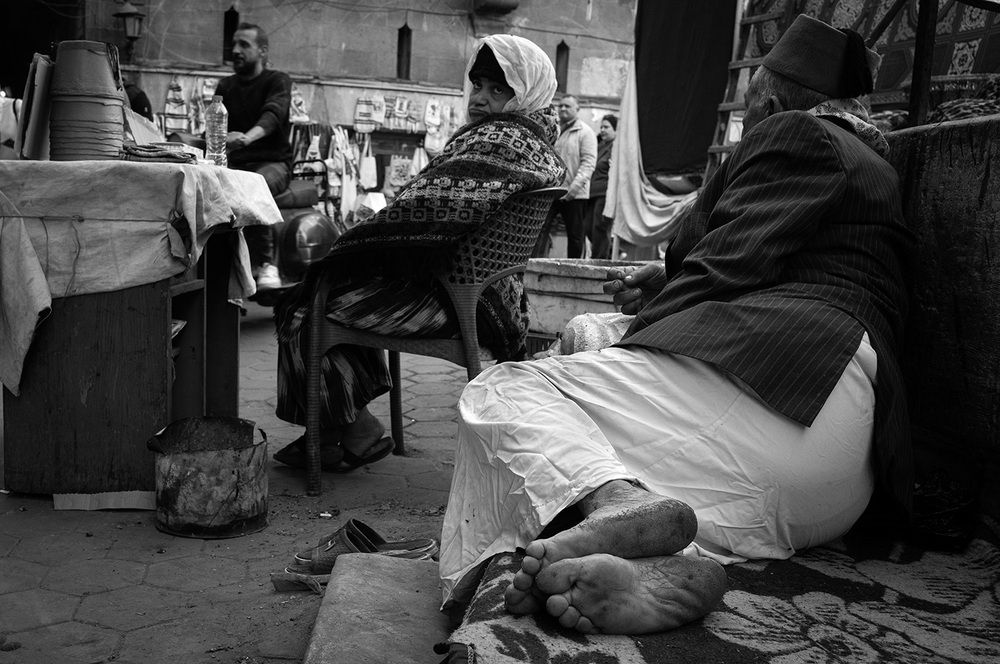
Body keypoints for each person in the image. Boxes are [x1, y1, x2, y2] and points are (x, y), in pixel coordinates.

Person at [439, 14, 915, 635]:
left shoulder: (800, 134)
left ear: (768, 101)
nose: (744, 131)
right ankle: (672, 562)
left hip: (790, 387)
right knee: (585, 346)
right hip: (830, 485)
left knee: (506, 389)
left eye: (747, 116)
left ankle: (621, 502)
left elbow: (721, 266)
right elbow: (771, 250)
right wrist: (662, 286)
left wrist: (636, 335)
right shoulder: (865, 163)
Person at [269, 35, 565, 472]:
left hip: (453, 299)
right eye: (478, 84)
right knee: (331, 293)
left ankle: (350, 428)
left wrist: (350, 244)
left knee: (305, 306)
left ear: (526, 93)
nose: (480, 98)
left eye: (498, 90)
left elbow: (422, 211)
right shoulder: (533, 141)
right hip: (488, 297)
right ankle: (339, 426)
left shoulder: (499, 142)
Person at [215, 22, 294, 290]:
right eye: (234, 44)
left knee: (254, 184)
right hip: (235, 164)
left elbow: (273, 115)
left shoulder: (277, 80)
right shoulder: (225, 86)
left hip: (273, 164)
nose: (235, 50)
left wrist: (246, 138)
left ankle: (267, 264)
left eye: (244, 45)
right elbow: (215, 128)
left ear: (262, 51)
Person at [533, 94, 597, 258]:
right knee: (538, 230)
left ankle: (575, 269)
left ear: (577, 109)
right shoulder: (553, 130)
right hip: (552, 190)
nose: (562, 109)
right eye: (560, 105)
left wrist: (573, 189)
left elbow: (588, 164)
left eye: (567, 106)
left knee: (575, 236)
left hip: (575, 195)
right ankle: (535, 264)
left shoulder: (586, 132)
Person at [586, 113, 617, 259]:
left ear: (615, 130)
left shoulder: (616, 148)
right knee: (588, 228)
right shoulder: (599, 146)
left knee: (599, 228)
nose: (603, 130)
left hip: (605, 193)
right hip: (591, 193)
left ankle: (599, 260)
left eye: (607, 127)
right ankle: (606, 253)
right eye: (601, 127)